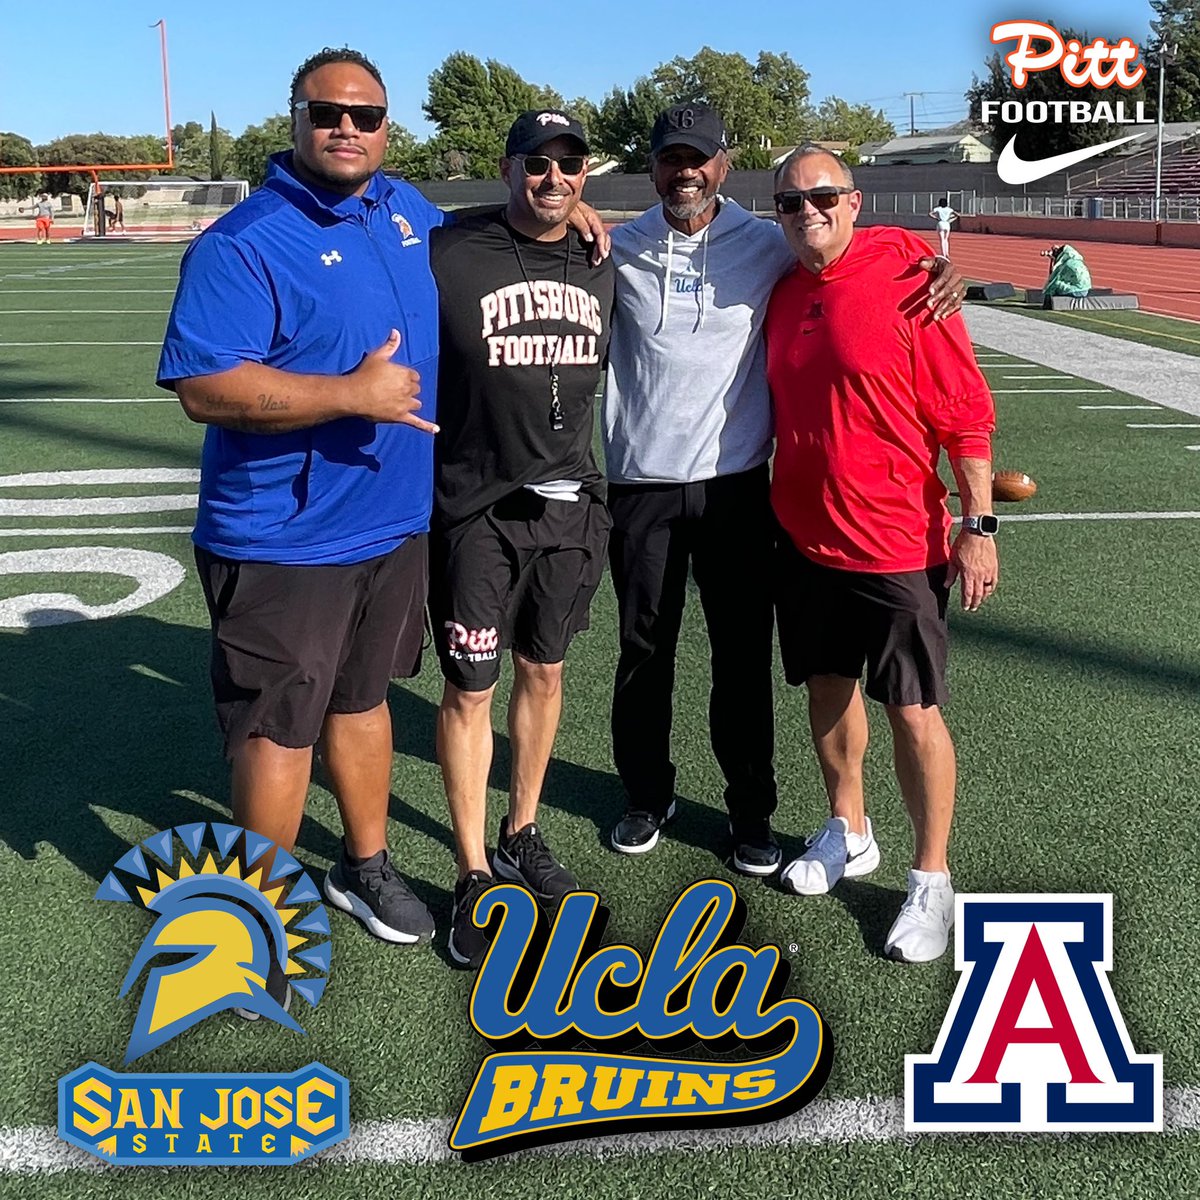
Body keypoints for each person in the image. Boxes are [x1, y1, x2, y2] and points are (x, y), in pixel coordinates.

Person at [603, 112, 965, 876]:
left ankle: (750, 813)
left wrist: (934, 265)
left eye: (697, 159)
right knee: (643, 653)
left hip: (738, 486)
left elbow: (854, 249)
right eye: (670, 160)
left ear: (724, 166)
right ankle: (646, 794)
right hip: (639, 485)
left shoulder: (766, 244)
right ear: (653, 168)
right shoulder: (618, 244)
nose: (684, 174)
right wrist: (574, 208)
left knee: (742, 660)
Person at [157, 48, 446, 1005]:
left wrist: (572, 211)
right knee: (279, 729)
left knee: (363, 701)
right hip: (283, 537)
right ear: (295, 118)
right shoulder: (243, 241)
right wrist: (348, 394)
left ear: (387, 125)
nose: (348, 129)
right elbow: (205, 388)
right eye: (328, 113)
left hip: (391, 521)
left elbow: (494, 236)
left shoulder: (403, 210)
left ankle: (364, 867)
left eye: (365, 114)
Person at [766, 145, 997, 964]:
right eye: (790, 203)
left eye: (822, 197)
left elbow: (967, 412)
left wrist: (979, 525)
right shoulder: (785, 288)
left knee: (913, 711)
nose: (807, 213)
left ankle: (931, 877)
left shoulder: (909, 278)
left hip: (897, 543)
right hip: (804, 540)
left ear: (855, 201)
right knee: (827, 690)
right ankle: (848, 828)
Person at [429, 109, 614, 969]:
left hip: (573, 505)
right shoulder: (450, 248)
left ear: (587, 174)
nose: (553, 179)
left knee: (546, 671)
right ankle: (472, 869)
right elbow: (385, 211)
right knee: (471, 687)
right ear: (508, 169)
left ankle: (522, 830)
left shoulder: (602, 254)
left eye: (569, 166)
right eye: (537, 164)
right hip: (478, 507)